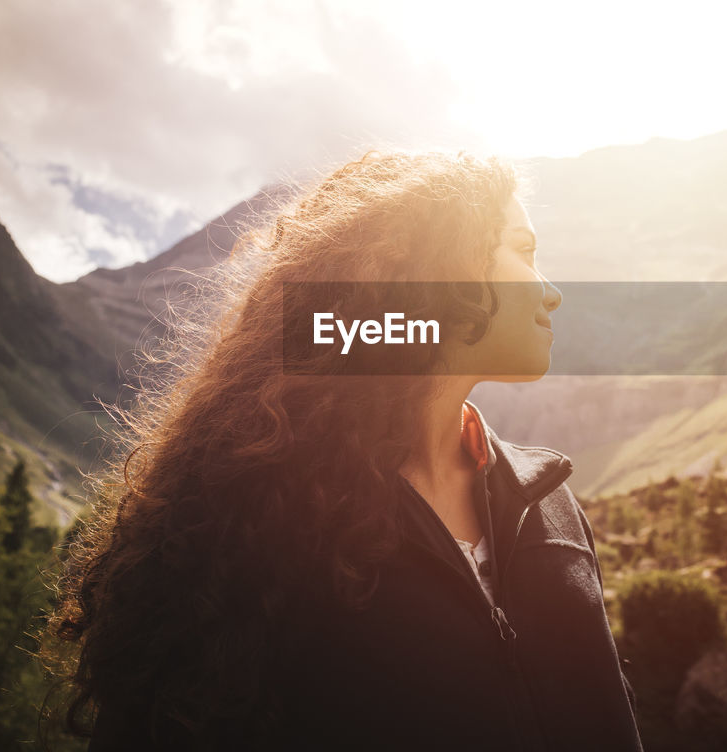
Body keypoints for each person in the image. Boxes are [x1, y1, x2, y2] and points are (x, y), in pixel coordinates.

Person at [40, 150, 644, 751]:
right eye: (525, 252)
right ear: (441, 269)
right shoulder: (253, 518)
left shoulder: (548, 499)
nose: (553, 292)